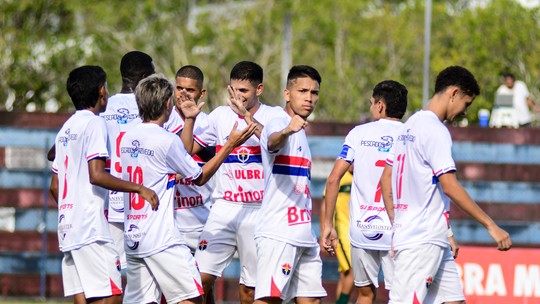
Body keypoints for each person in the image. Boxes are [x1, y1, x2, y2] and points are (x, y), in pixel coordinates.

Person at [380, 66, 512, 304]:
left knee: (455, 301)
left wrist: (443, 231)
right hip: (421, 240)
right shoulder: (435, 130)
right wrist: (491, 226)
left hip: (430, 235)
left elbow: (386, 178)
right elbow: (450, 186)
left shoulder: (409, 126)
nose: (464, 111)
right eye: (466, 103)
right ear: (453, 93)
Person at [119, 74, 256, 304]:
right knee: (192, 297)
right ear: (167, 104)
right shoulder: (165, 139)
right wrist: (230, 145)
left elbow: (179, 154)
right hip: (162, 238)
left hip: (134, 236)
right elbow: (199, 176)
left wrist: (190, 120)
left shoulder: (128, 137)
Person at [49, 65, 158, 304]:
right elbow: (96, 175)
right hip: (91, 230)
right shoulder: (94, 123)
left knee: (85, 297)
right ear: (101, 92)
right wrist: (139, 188)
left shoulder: (65, 129)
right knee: (112, 296)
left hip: (68, 228)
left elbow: (54, 187)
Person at [186, 61, 283, 304]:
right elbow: (187, 150)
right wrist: (189, 120)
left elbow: (274, 143)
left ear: (259, 90)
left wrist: (246, 117)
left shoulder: (275, 116)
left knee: (250, 291)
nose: (238, 97)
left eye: (244, 92)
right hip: (224, 209)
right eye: (234, 90)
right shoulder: (219, 116)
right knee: (197, 282)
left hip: (259, 211)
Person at [321, 80, 408, 304]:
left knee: (365, 294)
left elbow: (333, 180)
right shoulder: (410, 135)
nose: (371, 108)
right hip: (397, 232)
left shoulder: (358, 134)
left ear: (380, 105)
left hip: (363, 229)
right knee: (401, 295)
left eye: (371, 104)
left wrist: (327, 225)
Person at [100, 50, 184, 269]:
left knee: (113, 274)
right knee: (150, 272)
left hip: (110, 201)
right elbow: (183, 146)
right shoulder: (155, 104)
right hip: (146, 203)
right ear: (147, 76)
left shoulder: (102, 107)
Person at [254, 65, 326, 303]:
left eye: (314, 93)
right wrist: (287, 130)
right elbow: (274, 141)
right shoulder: (278, 122)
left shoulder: (301, 130)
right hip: (279, 232)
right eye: (302, 91)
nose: (309, 98)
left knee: (312, 300)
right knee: (269, 299)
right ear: (287, 94)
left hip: (304, 232)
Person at [172, 65, 213, 254]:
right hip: (170, 220)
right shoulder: (162, 118)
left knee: (203, 282)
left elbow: (183, 155)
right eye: (180, 88)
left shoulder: (207, 123)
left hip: (200, 219)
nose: (183, 94)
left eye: (190, 90)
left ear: (201, 93)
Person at [321, 169, 354, 304]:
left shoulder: (363, 176)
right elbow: (325, 205)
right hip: (342, 231)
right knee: (354, 270)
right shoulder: (338, 176)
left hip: (356, 231)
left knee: (345, 275)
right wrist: (324, 231)